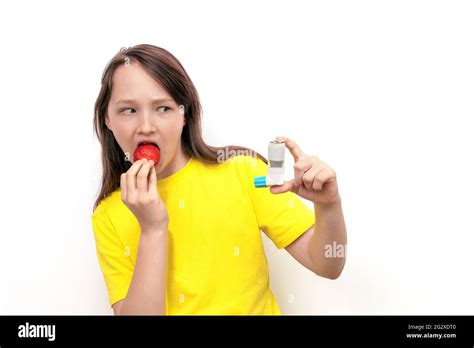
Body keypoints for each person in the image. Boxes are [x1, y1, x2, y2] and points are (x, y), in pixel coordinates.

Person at [91, 44, 347, 315]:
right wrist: (153, 229)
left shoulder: (243, 172)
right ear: (107, 118)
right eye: (128, 110)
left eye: (163, 108)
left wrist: (329, 205)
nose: (146, 126)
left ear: (184, 113)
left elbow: (329, 266)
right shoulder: (108, 215)